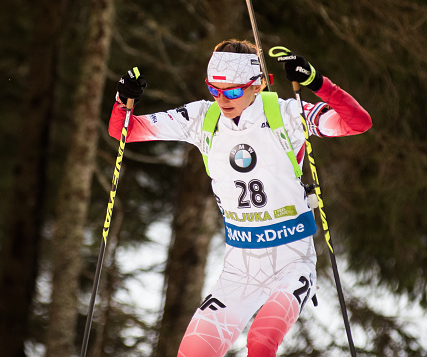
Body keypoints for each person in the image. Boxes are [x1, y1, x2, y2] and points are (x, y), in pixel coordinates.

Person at [108, 39, 372, 357]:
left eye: (233, 91)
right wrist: (124, 100)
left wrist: (317, 83)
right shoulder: (201, 119)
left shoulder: (285, 114)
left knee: (261, 342)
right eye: (214, 89)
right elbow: (125, 131)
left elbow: (358, 123)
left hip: (291, 263)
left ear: (256, 85)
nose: (223, 99)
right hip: (239, 270)